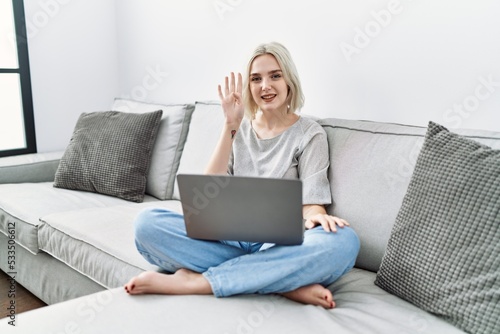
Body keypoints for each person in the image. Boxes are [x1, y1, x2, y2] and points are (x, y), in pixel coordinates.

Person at [124, 42, 360, 309]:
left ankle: (199, 282)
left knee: (344, 241)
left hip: (280, 243)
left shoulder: (310, 133)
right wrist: (230, 126)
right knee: (147, 224)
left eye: (275, 75)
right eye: (256, 79)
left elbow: (312, 204)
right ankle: (283, 282)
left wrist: (319, 218)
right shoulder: (240, 129)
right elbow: (205, 197)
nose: (265, 86)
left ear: (289, 81)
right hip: (230, 235)